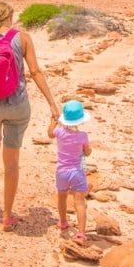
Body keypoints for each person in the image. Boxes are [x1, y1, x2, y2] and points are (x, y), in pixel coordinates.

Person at [0, 1, 59, 231]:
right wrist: (51, 102)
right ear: (11, 17)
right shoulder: (23, 38)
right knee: (12, 161)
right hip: (17, 104)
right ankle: (8, 215)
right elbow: (35, 71)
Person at [48, 99, 92, 244]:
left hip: (61, 171)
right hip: (77, 172)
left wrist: (53, 120)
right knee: (79, 202)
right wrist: (83, 149)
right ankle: (81, 233)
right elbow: (88, 152)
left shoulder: (60, 132)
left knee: (62, 197)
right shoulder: (83, 136)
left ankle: (63, 222)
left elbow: (50, 133)